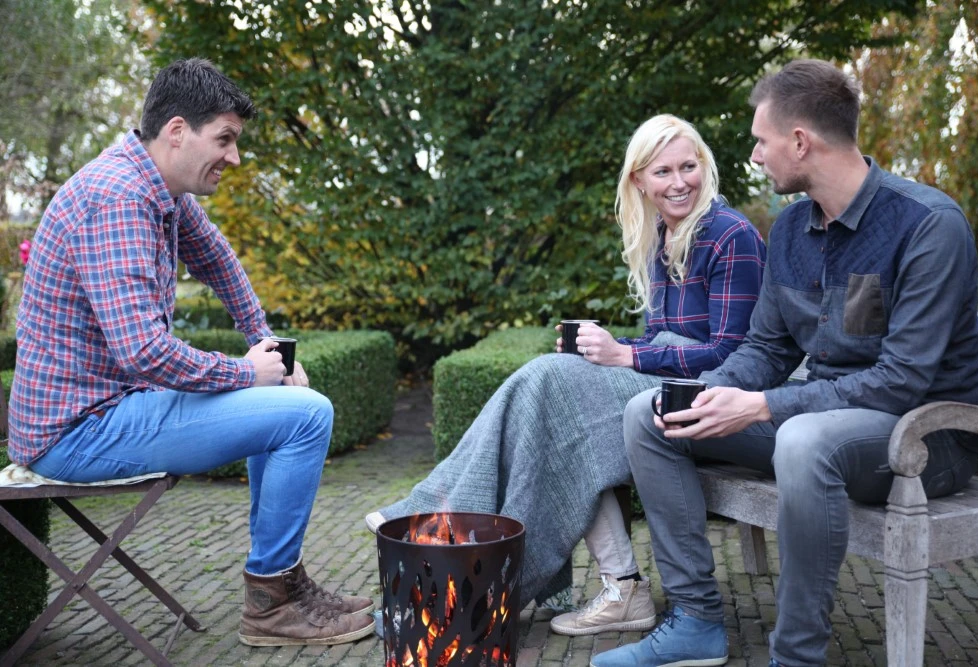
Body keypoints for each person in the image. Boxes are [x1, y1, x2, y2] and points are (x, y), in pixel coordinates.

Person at [592, 59, 978, 667]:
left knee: (804, 440)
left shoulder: (927, 226)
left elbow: (902, 380)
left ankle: (796, 656)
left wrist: (766, 404)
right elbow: (769, 349)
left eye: (761, 140)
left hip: (925, 437)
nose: (753, 155)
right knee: (652, 413)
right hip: (824, 418)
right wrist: (712, 393)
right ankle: (695, 620)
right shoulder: (791, 231)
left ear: (800, 141)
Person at [8, 58, 376, 648]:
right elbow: (143, 352)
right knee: (309, 415)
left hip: (115, 406)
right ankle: (272, 605)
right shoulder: (116, 198)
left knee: (286, 398)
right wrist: (243, 371)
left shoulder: (159, 187)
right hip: (80, 430)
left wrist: (268, 347)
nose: (234, 158)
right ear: (177, 131)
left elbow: (219, 262)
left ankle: (278, 586)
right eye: (225, 140)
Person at [367, 114, 766, 635]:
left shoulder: (730, 234)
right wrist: (612, 349)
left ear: (704, 167)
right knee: (558, 400)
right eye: (662, 171)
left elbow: (730, 355)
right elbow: (660, 340)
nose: (678, 182)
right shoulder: (660, 237)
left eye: (688, 167)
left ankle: (433, 515)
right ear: (638, 181)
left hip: (716, 402)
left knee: (551, 385)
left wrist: (625, 356)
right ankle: (616, 588)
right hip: (669, 394)